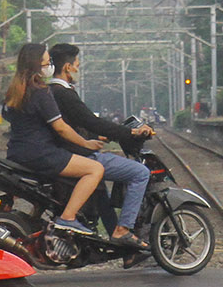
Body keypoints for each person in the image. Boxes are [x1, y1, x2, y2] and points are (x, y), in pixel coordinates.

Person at [47, 42, 153, 252]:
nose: (79, 68)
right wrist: (129, 132)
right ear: (68, 67)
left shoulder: (52, 91)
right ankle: (123, 229)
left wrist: (99, 135)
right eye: (77, 64)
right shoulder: (63, 93)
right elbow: (90, 121)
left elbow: (77, 123)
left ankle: (123, 251)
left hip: (68, 151)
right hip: (76, 155)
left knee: (101, 189)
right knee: (140, 173)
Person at [1, 42, 107, 238]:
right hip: (41, 154)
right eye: (47, 62)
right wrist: (86, 143)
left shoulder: (13, 92)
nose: (50, 66)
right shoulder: (41, 92)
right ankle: (67, 218)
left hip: (16, 152)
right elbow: (61, 128)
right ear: (36, 65)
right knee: (95, 169)